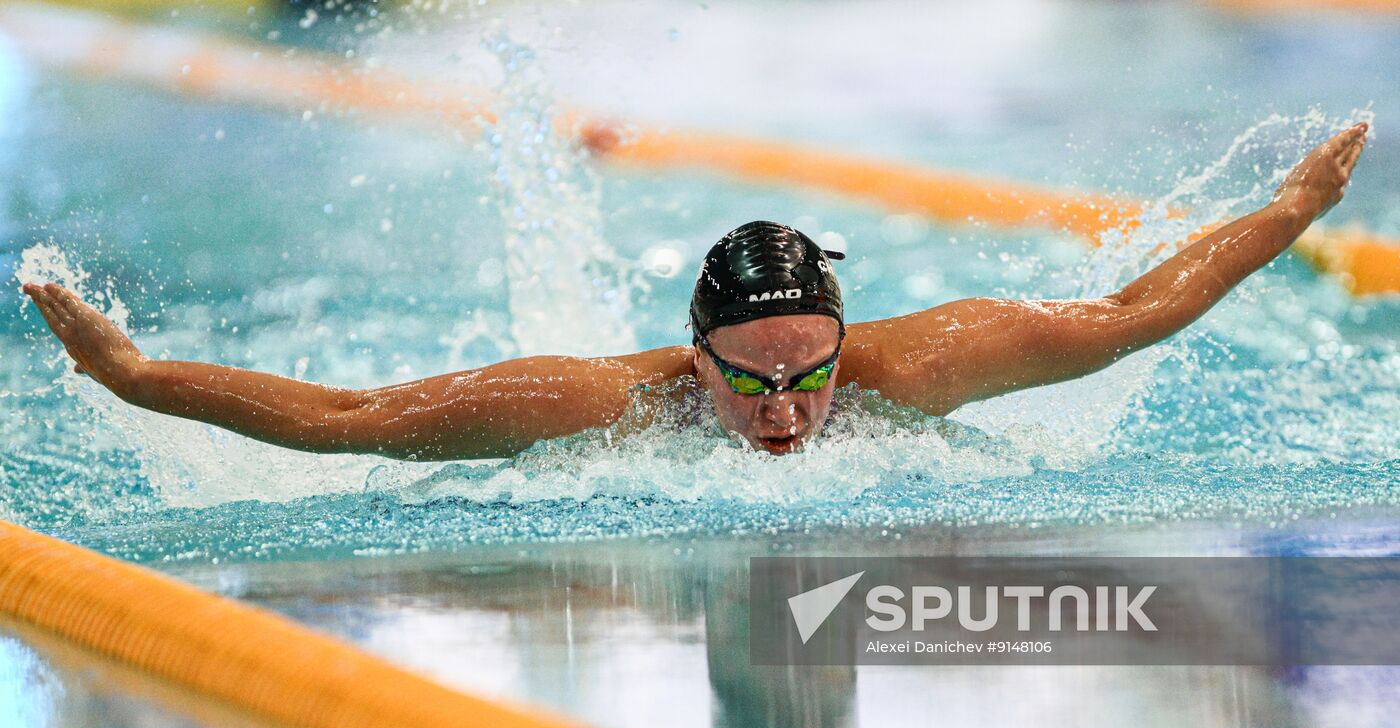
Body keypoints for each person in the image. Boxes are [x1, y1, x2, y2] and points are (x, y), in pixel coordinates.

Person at [23, 124, 1368, 459]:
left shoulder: (927, 365)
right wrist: (130, 376)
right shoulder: (596, 408)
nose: (788, 415)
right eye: (754, 381)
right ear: (698, 358)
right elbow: (345, 416)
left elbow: (1139, 312)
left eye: (811, 376)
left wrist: (1294, 210)